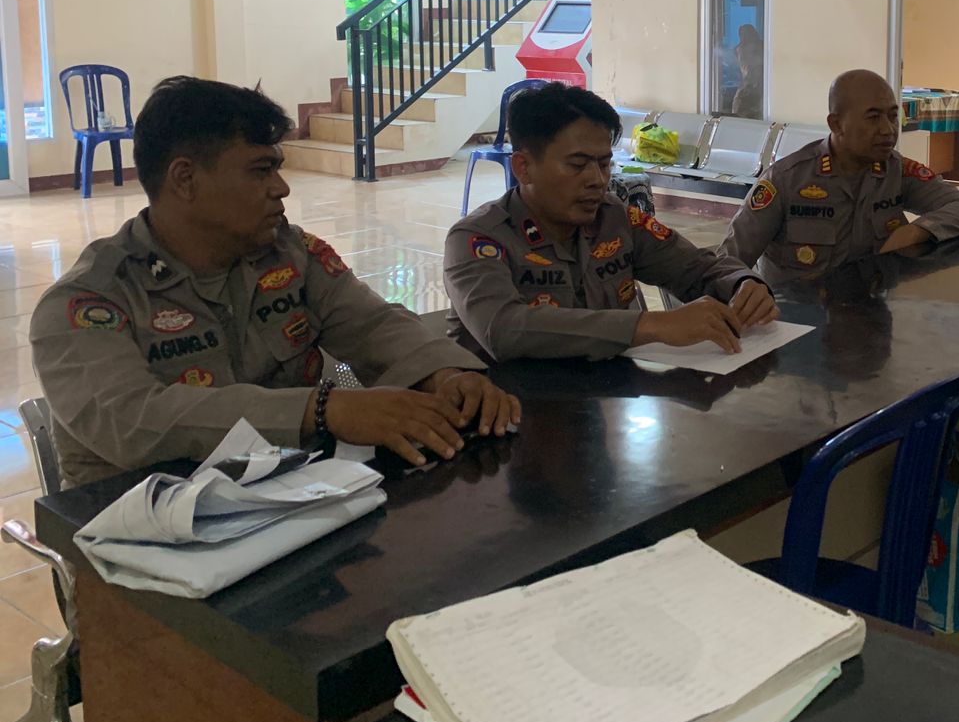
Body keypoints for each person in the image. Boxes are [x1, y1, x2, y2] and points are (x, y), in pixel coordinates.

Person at [31, 77, 520, 488]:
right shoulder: (89, 300)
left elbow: (373, 325)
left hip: (286, 500)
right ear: (184, 179)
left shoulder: (291, 255)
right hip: (142, 530)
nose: (281, 188)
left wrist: (447, 375)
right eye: (261, 170)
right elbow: (133, 419)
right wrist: (321, 410)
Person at [445, 83, 778, 362]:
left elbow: (696, 269)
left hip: (603, 402)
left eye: (604, 164)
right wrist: (650, 325)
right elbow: (502, 329)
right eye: (578, 165)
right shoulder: (477, 238)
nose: (597, 180)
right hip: (508, 408)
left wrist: (742, 284)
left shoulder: (615, 219)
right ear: (523, 167)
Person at [719, 69, 959, 279]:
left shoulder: (897, 171)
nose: (888, 129)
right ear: (836, 124)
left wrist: (917, 231)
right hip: (798, 319)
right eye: (873, 118)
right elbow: (729, 261)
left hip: (870, 313)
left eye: (892, 116)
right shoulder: (785, 179)